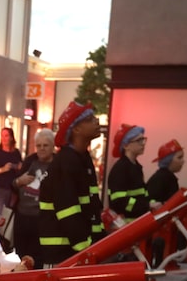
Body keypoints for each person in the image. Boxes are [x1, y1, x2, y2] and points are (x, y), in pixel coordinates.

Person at [38, 101, 104, 266]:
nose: (96, 121)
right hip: (63, 251)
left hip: (75, 247)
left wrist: (98, 238)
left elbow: (89, 206)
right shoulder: (67, 162)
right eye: (89, 119)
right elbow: (68, 210)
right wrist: (85, 248)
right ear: (76, 129)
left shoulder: (82, 158)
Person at [10, 128, 54, 268]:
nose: (41, 149)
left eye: (45, 145)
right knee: (22, 253)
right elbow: (13, 185)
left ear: (52, 146)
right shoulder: (30, 161)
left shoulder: (57, 164)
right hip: (22, 217)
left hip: (43, 219)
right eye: (39, 145)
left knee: (39, 257)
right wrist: (19, 181)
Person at [107, 123, 150, 221]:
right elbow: (120, 202)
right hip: (127, 227)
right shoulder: (120, 169)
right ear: (126, 145)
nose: (143, 143)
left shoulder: (136, 167)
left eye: (143, 139)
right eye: (139, 140)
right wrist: (146, 206)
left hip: (138, 224)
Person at [0, 127, 22, 218]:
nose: (4, 138)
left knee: (9, 215)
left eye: (6, 136)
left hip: (12, 190)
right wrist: (2, 169)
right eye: (2, 136)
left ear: (11, 138)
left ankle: (4, 232)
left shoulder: (16, 153)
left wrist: (17, 167)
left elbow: (21, 167)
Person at [147, 139, 185, 209]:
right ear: (168, 160)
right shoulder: (165, 178)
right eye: (179, 157)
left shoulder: (163, 176)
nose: (183, 161)